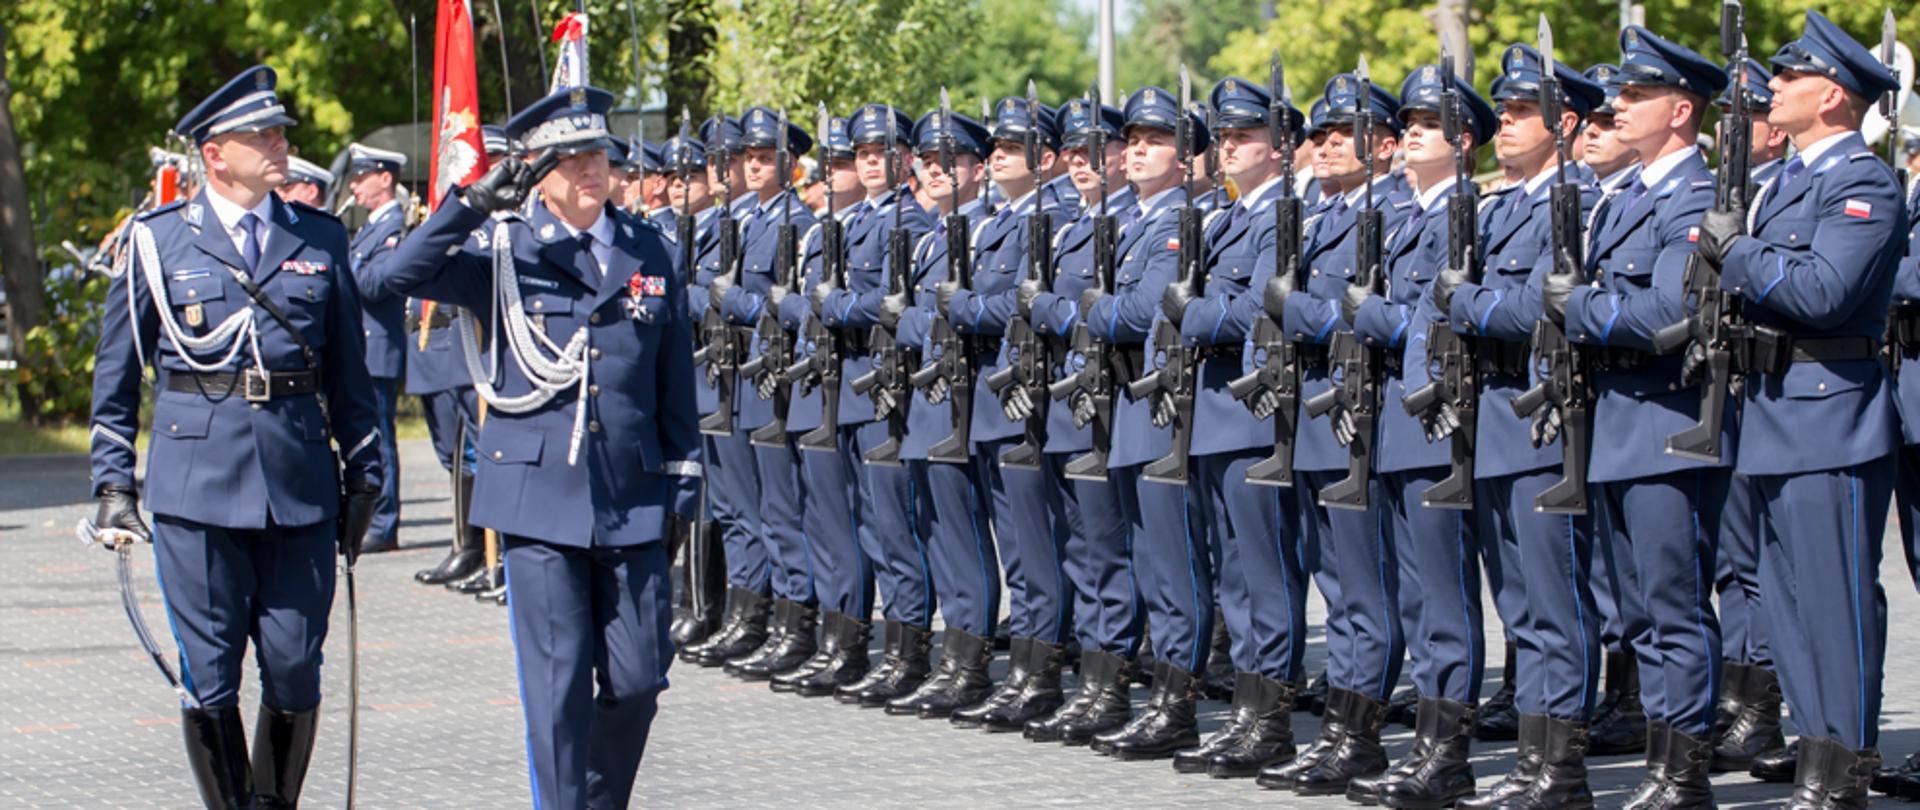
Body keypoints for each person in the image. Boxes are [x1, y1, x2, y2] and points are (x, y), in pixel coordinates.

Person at [382, 84, 700, 810]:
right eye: (571, 156)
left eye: (600, 152)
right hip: (536, 502)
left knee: (639, 678)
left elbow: (673, 380)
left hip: (632, 495)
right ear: (535, 170)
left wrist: (682, 485)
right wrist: (472, 201)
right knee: (557, 693)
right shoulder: (500, 249)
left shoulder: (650, 250)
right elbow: (394, 277)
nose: (593, 167)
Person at [87, 64, 384, 809]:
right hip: (198, 487)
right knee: (210, 673)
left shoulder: (318, 239)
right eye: (263, 133)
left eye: (280, 130)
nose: (281, 142)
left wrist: (367, 471)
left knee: (293, 666)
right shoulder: (158, 244)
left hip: (298, 487)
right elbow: (116, 377)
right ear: (215, 152)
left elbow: (350, 372)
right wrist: (114, 484)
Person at [1694, 11, 1907, 805]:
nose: (1771, 87)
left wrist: (1736, 250)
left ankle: (1844, 769)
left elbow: (1823, 292)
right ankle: (1815, 759)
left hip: (1827, 415)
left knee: (1832, 603)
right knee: (1782, 608)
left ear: (1836, 96)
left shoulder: (1861, 179)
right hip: (1768, 411)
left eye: (1790, 76)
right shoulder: (1783, 180)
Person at [1432, 44, 1608, 809]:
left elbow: (1546, 301)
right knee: (1521, 606)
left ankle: (1560, 768)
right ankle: (1534, 763)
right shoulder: (1502, 205)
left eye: (1519, 112)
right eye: (1499, 112)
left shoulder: (1575, 202)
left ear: (1563, 123)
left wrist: (1467, 304)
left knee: (1554, 603)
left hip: (1545, 422)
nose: (1502, 123)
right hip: (1498, 417)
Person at [1341, 63, 1498, 808]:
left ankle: (1448, 752)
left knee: (1442, 599)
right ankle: (1430, 747)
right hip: (1401, 425)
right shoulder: (1408, 216)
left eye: (1425, 125)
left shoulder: (1464, 216)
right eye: (1405, 124)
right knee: (1413, 598)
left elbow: (1437, 324)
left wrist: (1372, 316)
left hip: (1441, 424)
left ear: (1462, 140)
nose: (1407, 135)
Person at [1156, 75, 1315, 781]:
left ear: (1281, 146)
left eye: (1245, 135)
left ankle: (1270, 720)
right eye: (1223, 136)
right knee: (1234, 580)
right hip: (1214, 413)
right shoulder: (1223, 217)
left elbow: (1260, 310)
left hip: (1253, 416)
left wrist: (1193, 312)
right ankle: (1247, 715)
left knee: (1264, 576)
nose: (1228, 146)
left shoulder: (1283, 215)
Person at [1259, 70, 1413, 796]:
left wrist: (1308, 315)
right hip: (1318, 409)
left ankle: (1360, 733)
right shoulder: (1315, 216)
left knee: (1365, 584)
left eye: (1338, 134)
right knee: (1336, 582)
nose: (1322, 145)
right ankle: (1338, 731)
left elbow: (1381, 316)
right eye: (1316, 135)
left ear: (1382, 145)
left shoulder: (1393, 209)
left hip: (1365, 410)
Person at [1078, 84, 1207, 762]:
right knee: (1145, 565)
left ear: (1185, 157)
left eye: (1153, 141)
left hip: (1164, 411)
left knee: (1173, 568)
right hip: (1131, 407)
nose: (1136, 150)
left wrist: (1093, 307)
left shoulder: (1178, 220)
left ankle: (1176, 704)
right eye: (1132, 140)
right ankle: (1151, 694)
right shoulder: (1134, 219)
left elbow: (1135, 314)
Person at [1013, 96, 1145, 744]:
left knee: (1105, 551)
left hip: (1109, 407)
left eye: (1099, 148)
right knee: (1078, 550)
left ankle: (1111, 686)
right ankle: (1091, 681)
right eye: (1072, 151)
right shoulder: (1071, 225)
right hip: (1071, 406)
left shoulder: (1126, 222)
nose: (1083, 162)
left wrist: (1058, 313)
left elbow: (1103, 313)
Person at [943, 94, 1076, 730]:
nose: (995, 158)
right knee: (1019, 552)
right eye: (992, 149)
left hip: (1029, 402)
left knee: (1037, 549)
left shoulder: (1045, 220)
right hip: (996, 403)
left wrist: (964, 308)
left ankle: (1040, 674)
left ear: (1042, 158)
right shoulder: (997, 223)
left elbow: (1021, 306)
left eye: (1007, 148)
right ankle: (1024, 669)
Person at [879, 105, 1002, 720]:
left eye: (949, 161)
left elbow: (974, 312)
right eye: (927, 162)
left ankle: (972, 662)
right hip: (929, 403)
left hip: (965, 402)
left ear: (977, 168)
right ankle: (955, 657)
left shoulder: (987, 228)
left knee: (965, 535)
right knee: (940, 536)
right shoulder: (929, 233)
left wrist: (915, 319)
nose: (936, 171)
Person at [817, 103, 939, 705]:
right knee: (861, 526)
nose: (868, 163)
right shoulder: (849, 219)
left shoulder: (909, 222)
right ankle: (859, 642)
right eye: (860, 154)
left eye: (879, 153)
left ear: (903, 160)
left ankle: (908, 650)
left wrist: (837, 306)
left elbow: (894, 302)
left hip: (884, 389)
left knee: (895, 528)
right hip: (847, 386)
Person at [707, 107, 822, 682]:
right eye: (746, 158)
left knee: (781, 509)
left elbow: (793, 308)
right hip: (737, 378)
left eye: (763, 158)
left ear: (790, 164)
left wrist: (739, 305)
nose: (751, 166)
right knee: (741, 509)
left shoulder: (796, 225)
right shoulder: (746, 220)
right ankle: (750, 614)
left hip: (773, 379)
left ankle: (792, 623)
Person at [408, 126, 515, 590]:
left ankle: (502, 556)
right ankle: (471, 546)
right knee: (463, 454)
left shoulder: (506, 226)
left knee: (493, 452)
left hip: (492, 354)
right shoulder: (463, 219)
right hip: (456, 351)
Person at [343, 143, 412, 555]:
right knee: (368, 436)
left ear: (385, 178)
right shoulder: (369, 227)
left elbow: (374, 284)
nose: (354, 185)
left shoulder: (394, 227)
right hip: (363, 345)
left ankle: (385, 523)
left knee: (381, 439)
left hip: (379, 346)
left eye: (362, 176)